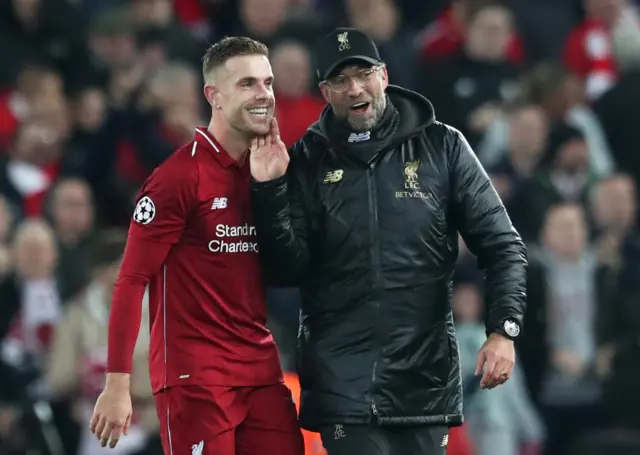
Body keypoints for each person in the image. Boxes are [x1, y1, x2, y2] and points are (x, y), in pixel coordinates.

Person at [249, 27, 527, 455]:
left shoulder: (443, 146)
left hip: (424, 383)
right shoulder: (306, 159)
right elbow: (286, 270)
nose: (354, 88)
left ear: (383, 75)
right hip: (342, 386)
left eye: (362, 74)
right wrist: (268, 192)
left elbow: (503, 245)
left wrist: (503, 331)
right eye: (340, 81)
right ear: (325, 91)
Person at [89, 37, 304, 455]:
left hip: (261, 369)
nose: (263, 95)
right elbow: (132, 280)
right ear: (214, 96)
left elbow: (289, 268)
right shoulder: (177, 177)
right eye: (247, 84)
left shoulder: (271, 172)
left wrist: (274, 188)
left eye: (268, 82)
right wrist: (117, 383)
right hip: (195, 377)